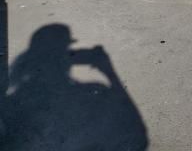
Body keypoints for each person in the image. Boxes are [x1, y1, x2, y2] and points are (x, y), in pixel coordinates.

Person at [1, 24, 148, 150]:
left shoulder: (11, 102)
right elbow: (139, 136)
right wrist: (109, 72)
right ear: (62, 56)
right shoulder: (92, 93)